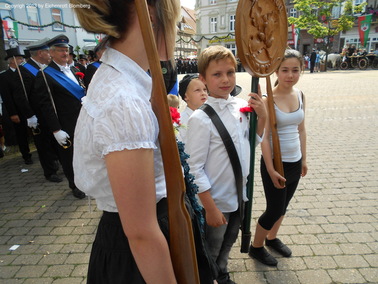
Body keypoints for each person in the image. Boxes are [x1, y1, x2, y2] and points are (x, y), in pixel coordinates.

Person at [70, 0, 196, 283]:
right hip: (139, 258)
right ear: (151, 13)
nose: (175, 30)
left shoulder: (124, 80)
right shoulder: (123, 102)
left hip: (146, 242)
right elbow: (140, 232)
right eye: (175, 21)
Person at [185, 45, 267, 284]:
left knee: (228, 242)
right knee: (211, 245)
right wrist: (209, 208)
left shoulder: (241, 107)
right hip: (217, 200)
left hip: (239, 195)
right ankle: (207, 277)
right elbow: (193, 168)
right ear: (203, 79)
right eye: (217, 74)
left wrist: (261, 117)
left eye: (230, 72)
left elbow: (254, 141)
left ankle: (221, 272)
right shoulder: (200, 119)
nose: (225, 79)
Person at [248, 49, 307, 266]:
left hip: (295, 161)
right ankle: (256, 247)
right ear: (276, 72)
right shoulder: (268, 99)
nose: (290, 75)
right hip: (276, 163)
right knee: (274, 209)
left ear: (301, 70)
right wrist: (271, 169)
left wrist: (304, 159)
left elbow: (302, 129)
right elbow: (264, 138)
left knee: (284, 206)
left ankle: (272, 238)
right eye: (285, 70)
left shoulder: (300, 95)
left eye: (295, 70)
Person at [32, 34, 86, 199]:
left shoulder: (75, 70)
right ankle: (75, 185)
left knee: (84, 154)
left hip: (83, 121)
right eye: (61, 51)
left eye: (66, 50)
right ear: (52, 53)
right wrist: (56, 130)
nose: (65, 54)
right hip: (65, 124)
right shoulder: (45, 75)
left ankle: (87, 182)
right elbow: (46, 105)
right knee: (69, 157)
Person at [13, 38, 63, 183]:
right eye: (48, 52)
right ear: (40, 53)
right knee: (43, 144)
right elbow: (21, 96)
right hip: (37, 115)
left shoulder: (44, 68)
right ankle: (50, 172)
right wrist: (30, 116)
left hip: (49, 113)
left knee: (54, 142)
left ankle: (60, 166)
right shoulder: (24, 70)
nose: (50, 54)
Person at [0, 47, 33, 165]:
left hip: (30, 108)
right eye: (19, 59)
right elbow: (7, 97)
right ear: (12, 60)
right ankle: (26, 155)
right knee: (21, 133)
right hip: (17, 110)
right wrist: (13, 113)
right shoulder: (4, 76)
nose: (21, 61)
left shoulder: (25, 72)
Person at [178, 74, 208, 142]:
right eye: (197, 90)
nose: (203, 93)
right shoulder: (180, 122)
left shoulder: (212, 116)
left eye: (205, 89)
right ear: (186, 96)